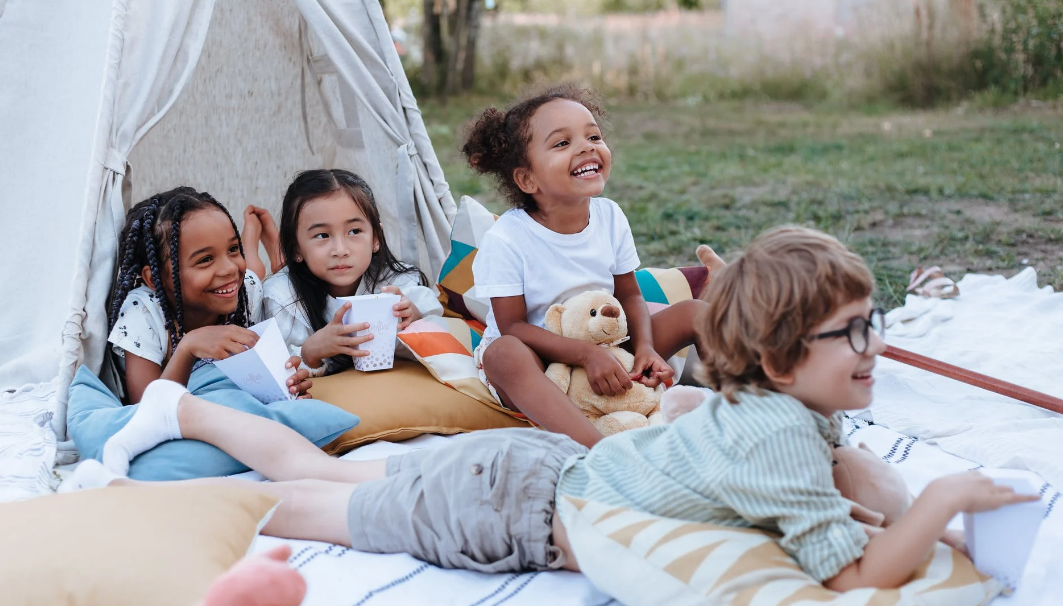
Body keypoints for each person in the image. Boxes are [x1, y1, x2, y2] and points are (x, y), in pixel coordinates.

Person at [63, 225, 1036, 590]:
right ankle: (135, 485)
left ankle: (182, 420)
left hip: (530, 477)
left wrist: (890, 489)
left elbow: (846, 478)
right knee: (293, 505)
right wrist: (940, 500)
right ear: (783, 359)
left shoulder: (766, 409)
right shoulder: (777, 435)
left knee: (321, 476)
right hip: (512, 508)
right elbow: (859, 567)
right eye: (854, 334)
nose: (875, 352)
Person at [461, 83, 714, 447]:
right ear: (527, 178)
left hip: (608, 345)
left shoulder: (610, 217)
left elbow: (630, 294)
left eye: (593, 135)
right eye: (562, 143)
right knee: (504, 353)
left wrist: (645, 347)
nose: (586, 146)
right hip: (539, 362)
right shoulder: (506, 239)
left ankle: (743, 412)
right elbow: (512, 326)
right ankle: (600, 451)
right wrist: (585, 354)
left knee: (696, 313)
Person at [107, 187, 311, 403]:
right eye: (205, 259)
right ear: (153, 279)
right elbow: (146, 409)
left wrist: (288, 382)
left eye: (233, 248)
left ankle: (258, 241)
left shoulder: (245, 294)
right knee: (247, 271)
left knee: (253, 273)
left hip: (245, 282)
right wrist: (187, 347)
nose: (228, 268)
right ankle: (250, 239)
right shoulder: (142, 313)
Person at [262, 169, 442, 376]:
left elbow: (438, 328)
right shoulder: (283, 296)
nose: (340, 250)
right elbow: (273, 367)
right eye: (322, 235)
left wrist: (414, 318)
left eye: (354, 231)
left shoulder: (397, 283)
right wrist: (310, 352)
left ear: (376, 238)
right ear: (296, 249)